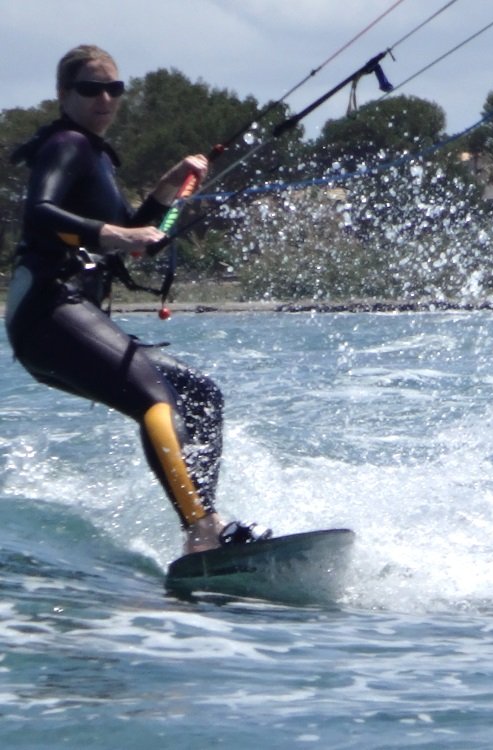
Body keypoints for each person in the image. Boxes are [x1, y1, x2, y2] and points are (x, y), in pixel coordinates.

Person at [5, 44, 269, 554]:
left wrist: (167, 189)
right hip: (48, 311)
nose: (105, 98)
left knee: (200, 394)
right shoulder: (66, 144)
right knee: (157, 400)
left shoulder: (97, 156)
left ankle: (202, 533)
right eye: (90, 89)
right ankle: (203, 528)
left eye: (114, 89)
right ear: (63, 95)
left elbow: (129, 233)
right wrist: (119, 236)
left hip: (69, 316)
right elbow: (41, 213)